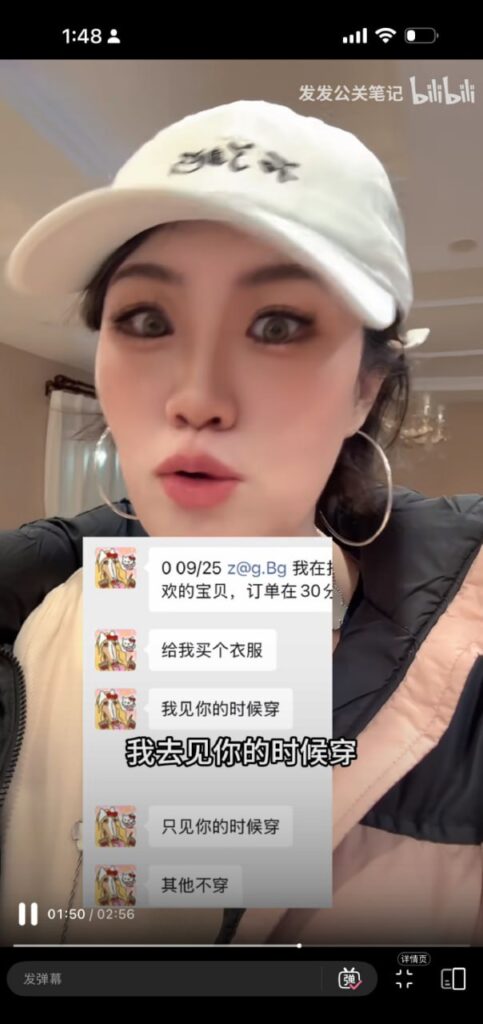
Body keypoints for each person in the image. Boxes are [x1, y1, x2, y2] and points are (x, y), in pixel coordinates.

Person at [0, 100, 482, 946]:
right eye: (146, 320)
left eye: (278, 325)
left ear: (365, 389)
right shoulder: (38, 621)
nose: (196, 398)